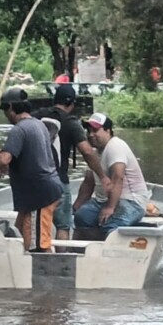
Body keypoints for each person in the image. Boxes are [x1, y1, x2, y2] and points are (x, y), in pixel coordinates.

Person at [0, 87, 62, 253]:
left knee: (38, 245)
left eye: (5, 110)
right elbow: (24, 155)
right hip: (44, 190)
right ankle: (27, 262)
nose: (6, 115)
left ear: (11, 108)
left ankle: (41, 267)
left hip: (40, 195)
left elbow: (5, 159)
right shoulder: (38, 124)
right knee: (22, 226)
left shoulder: (19, 129)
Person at [37, 84, 108, 239]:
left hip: (36, 179)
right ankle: (62, 252)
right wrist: (102, 176)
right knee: (63, 225)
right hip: (58, 180)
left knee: (36, 219)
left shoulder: (37, 117)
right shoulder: (70, 123)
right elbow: (87, 151)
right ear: (71, 104)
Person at [73, 113, 150, 234]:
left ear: (108, 131)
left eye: (95, 130)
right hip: (102, 201)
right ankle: (91, 244)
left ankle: (111, 243)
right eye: (89, 131)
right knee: (81, 217)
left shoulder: (115, 146)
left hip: (131, 201)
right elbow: (88, 183)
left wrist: (110, 207)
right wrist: (75, 208)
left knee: (111, 225)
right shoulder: (94, 152)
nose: (91, 135)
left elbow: (118, 178)